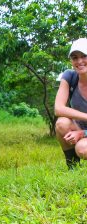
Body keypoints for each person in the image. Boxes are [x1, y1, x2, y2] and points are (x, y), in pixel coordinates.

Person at [55, 38, 87, 169]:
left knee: (83, 148)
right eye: (75, 57)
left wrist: (82, 134)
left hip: (84, 134)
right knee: (61, 123)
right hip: (81, 127)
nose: (79, 61)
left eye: (84, 56)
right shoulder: (70, 76)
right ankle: (72, 167)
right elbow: (58, 109)